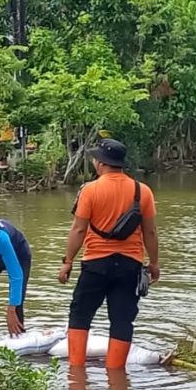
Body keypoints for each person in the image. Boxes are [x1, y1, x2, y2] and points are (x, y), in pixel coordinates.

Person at [58, 138, 160, 370]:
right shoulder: (142, 191)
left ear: (101, 163)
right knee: (122, 319)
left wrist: (68, 261)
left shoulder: (90, 190)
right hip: (130, 265)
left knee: (80, 315)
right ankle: (116, 375)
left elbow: (79, 229)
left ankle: (76, 373)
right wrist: (154, 263)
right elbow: (150, 232)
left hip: (95, 264)